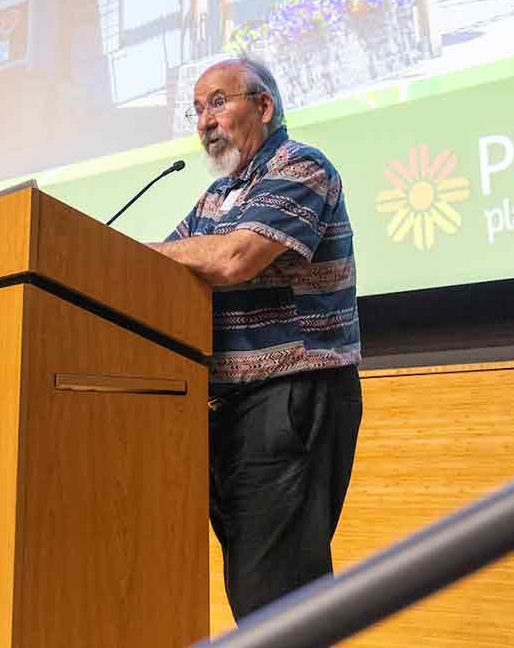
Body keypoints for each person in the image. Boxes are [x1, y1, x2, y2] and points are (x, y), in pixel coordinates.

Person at [149, 56, 362, 621]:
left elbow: (234, 256)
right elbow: (155, 274)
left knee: (277, 594)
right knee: (258, 591)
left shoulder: (301, 166)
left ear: (263, 106)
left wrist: (142, 255)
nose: (204, 121)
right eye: (197, 109)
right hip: (233, 407)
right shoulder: (216, 198)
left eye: (218, 102)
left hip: (291, 396)